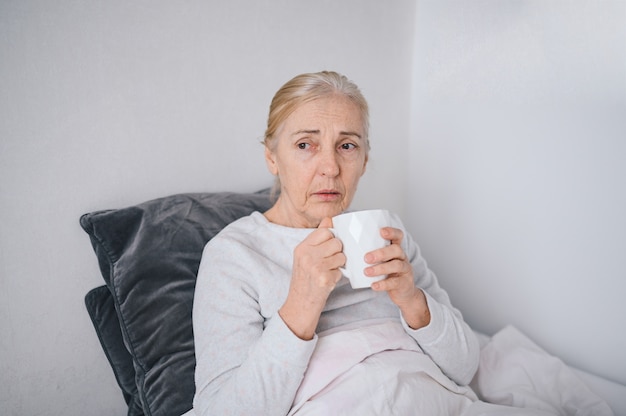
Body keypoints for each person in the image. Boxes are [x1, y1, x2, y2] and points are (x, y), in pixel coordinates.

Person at [191, 71, 480, 415]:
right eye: (304, 145)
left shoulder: (386, 234)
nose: (330, 167)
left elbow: (465, 367)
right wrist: (301, 304)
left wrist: (413, 301)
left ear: (364, 161)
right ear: (272, 158)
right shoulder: (234, 256)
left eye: (347, 146)